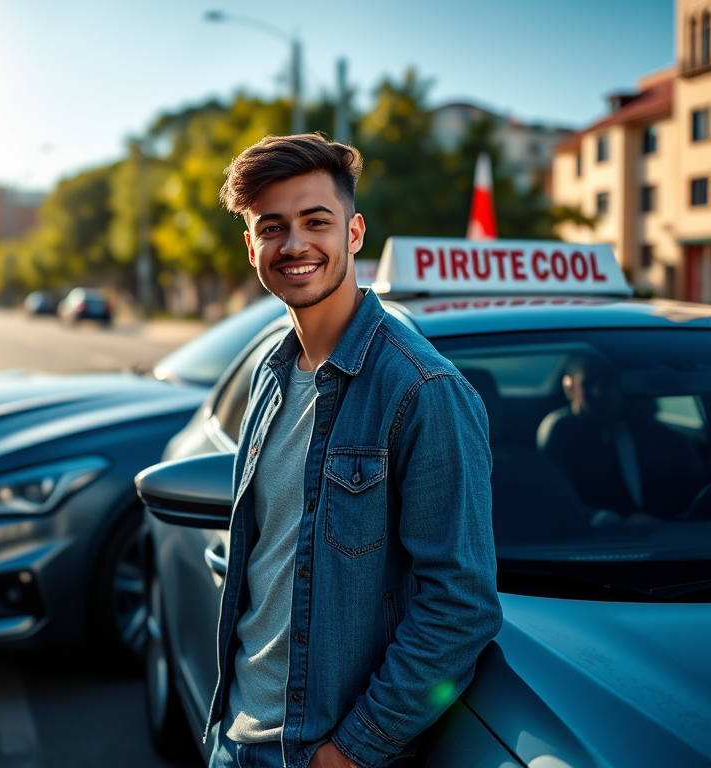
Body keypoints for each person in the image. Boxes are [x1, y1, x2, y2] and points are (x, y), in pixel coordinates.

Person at [206, 133, 502, 768]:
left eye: (316, 221)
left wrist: (349, 751)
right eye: (272, 227)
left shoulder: (423, 391)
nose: (294, 244)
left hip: (320, 749)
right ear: (251, 246)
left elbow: (461, 605)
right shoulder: (269, 375)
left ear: (354, 232)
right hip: (234, 733)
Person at [537, 355, 705, 522]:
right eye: (587, 383)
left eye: (607, 381)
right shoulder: (561, 433)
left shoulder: (663, 438)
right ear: (570, 388)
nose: (598, 392)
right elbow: (558, 500)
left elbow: (695, 493)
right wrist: (610, 521)